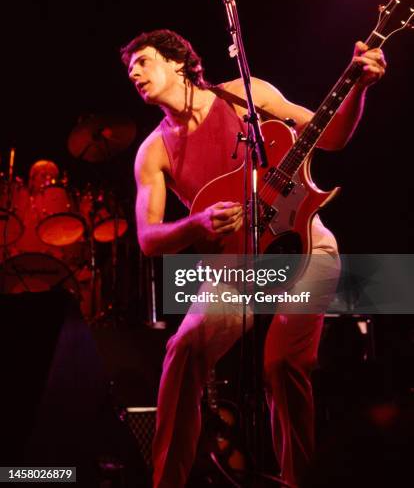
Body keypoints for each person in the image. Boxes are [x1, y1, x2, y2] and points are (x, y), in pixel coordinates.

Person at [121, 29, 386, 487]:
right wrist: (195, 226)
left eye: (143, 62)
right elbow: (147, 237)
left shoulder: (248, 96)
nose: (134, 74)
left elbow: (333, 136)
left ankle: (298, 480)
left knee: (282, 363)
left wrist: (359, 87)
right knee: (183, 351)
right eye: (129, 71)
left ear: (178, 61)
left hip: (305, 248)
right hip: (233, 272)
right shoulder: (153, 151)